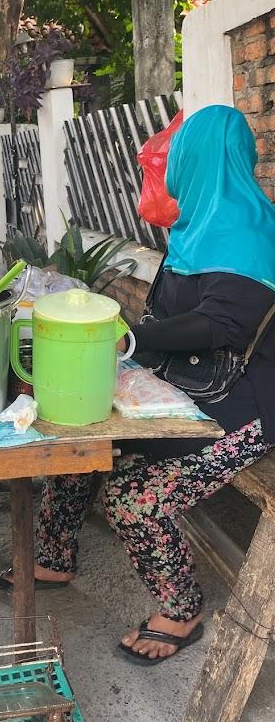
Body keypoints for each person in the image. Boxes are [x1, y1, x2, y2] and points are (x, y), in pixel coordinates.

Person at [22, 105, 275, 665]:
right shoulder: (196, 226)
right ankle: (54, 555)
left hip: (245, 405)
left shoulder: (251, 231)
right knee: (79, 442)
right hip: (191, 385)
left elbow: (224, 325)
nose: (170, 164)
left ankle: (183, 610)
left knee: (135, 499)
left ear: (196, 159)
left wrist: (134, 341)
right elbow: (171, 313)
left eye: (178, 153)